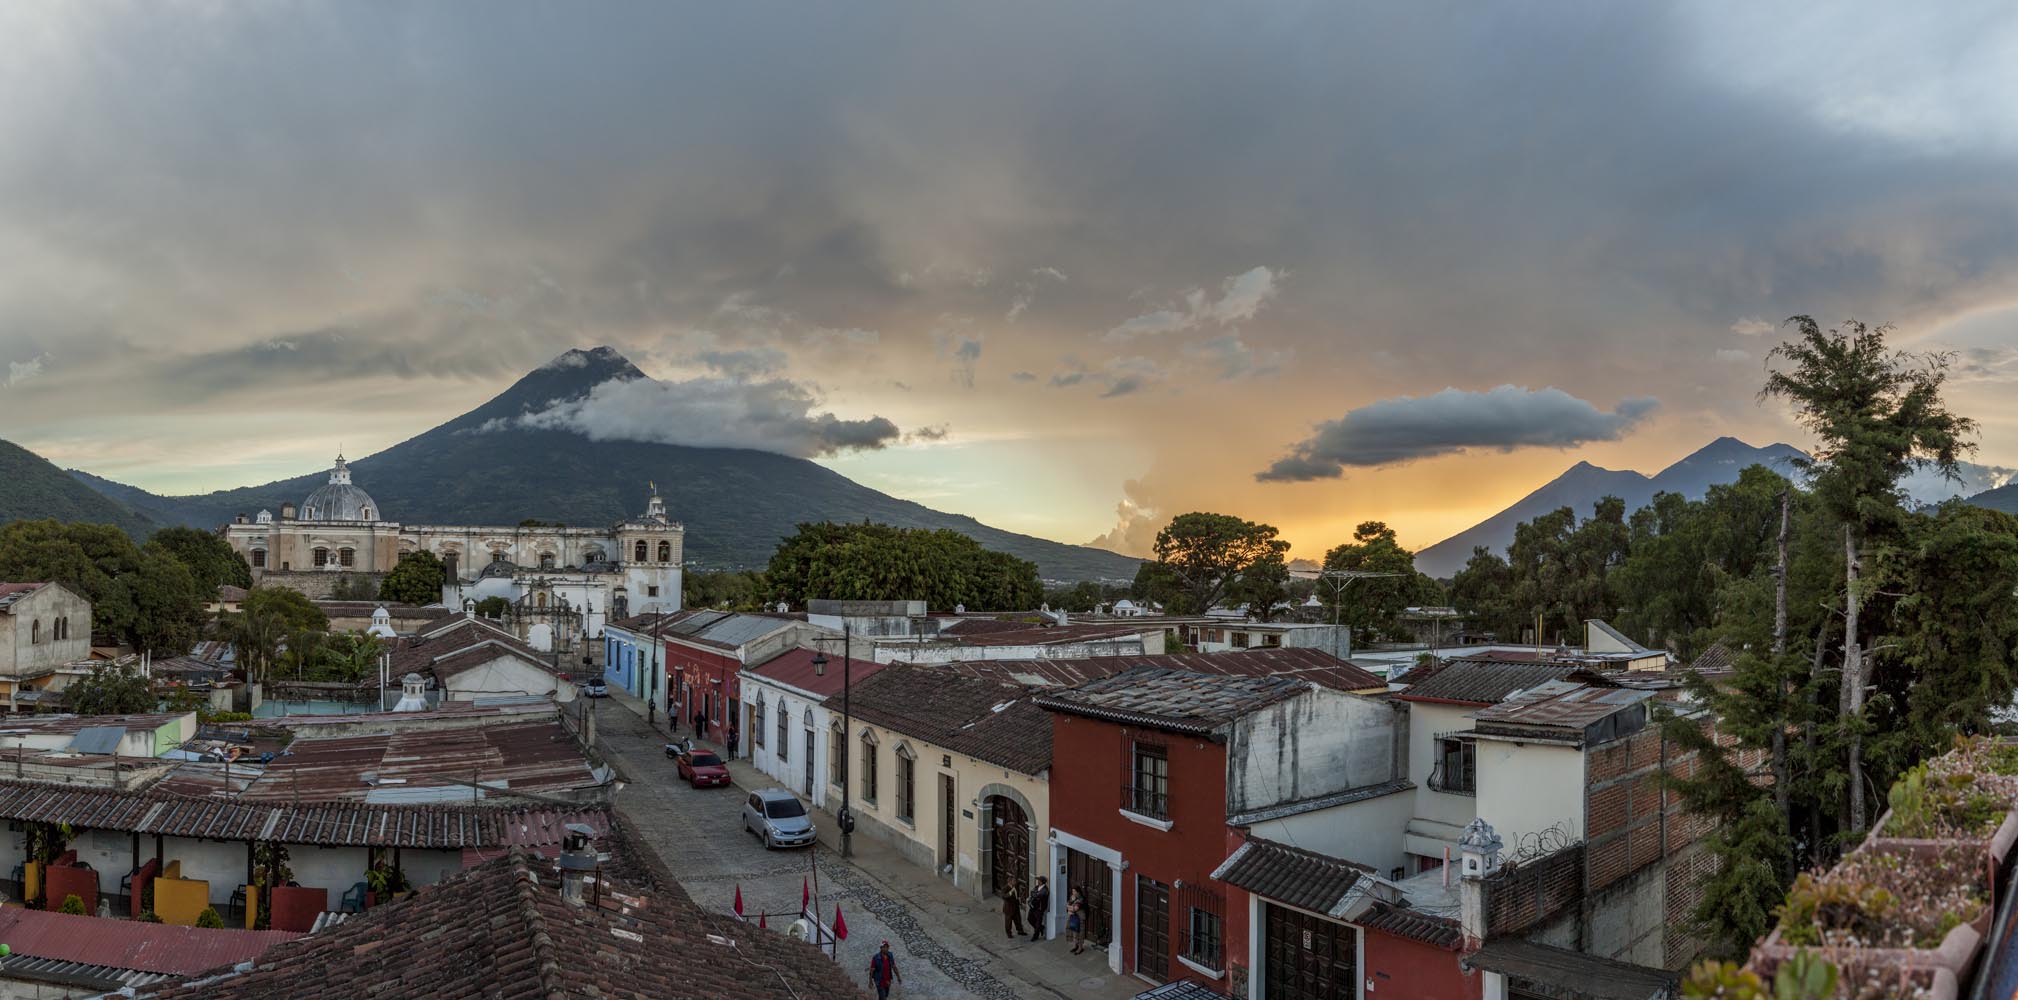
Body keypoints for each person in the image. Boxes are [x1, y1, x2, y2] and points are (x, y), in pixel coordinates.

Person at [1026, 876, 1049, 942]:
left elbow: (1037, 895)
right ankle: (1041, 928)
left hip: (1039, 909)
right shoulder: (1037, 887)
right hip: (1033, 906)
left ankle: (1036, 935)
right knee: (1029, 919)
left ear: (1042, 882)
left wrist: (1034, 894)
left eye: (1039, 880)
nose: (1038, 881)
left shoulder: (1045, 890)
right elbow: (1032, 893)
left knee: (1038, 922)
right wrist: (1033, 895)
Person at [1067, 887, 1086, 954]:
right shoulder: (1073, 897)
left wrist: (1070, 907)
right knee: (1074, 932)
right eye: (1072, 891)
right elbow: (1067, 905)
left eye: (1074, 891)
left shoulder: (1081, 899)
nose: (1073, 893)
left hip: (1080, 918)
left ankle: (1080, 948)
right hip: (1074, 917)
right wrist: (1070, 904)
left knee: (1080, 933)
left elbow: (1075, 908)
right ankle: (1075, 946)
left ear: (1078, 892)